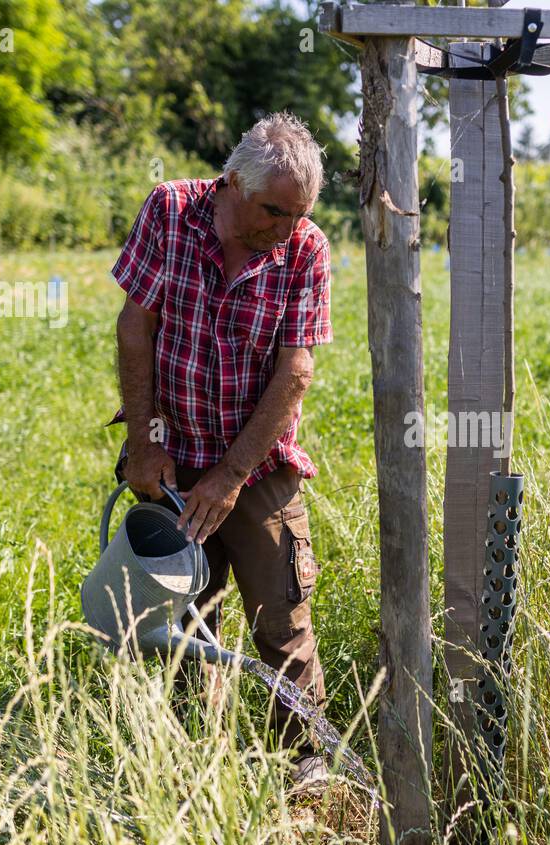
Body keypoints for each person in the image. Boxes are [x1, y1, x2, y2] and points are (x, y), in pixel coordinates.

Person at [109, 112, 332, 787]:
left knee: (282, 620)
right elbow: (135, 326)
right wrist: (147, 446)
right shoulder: (171, 209)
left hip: (257, 463)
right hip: (171, 458)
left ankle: (307, 764)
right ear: (234, 182)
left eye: (298, 214)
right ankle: (189, 761)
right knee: (180, 616)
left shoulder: (305, 249)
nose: (284, 228)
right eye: (273, 210)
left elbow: (294, 371)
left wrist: (234, 474)